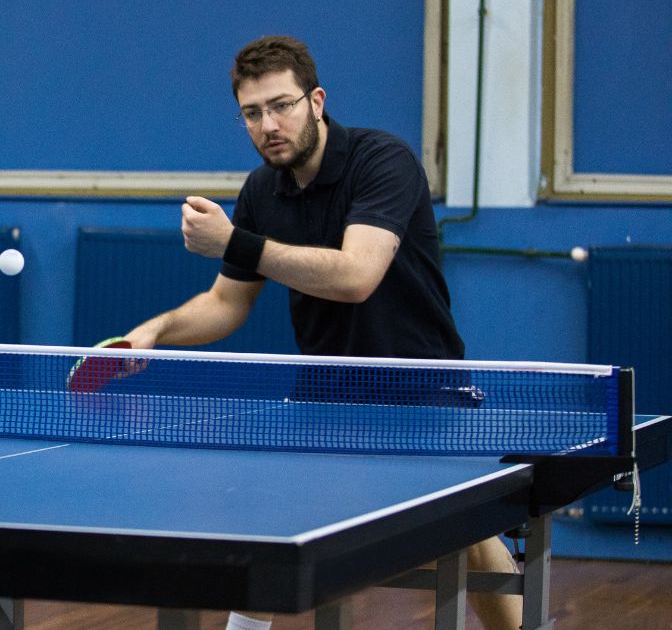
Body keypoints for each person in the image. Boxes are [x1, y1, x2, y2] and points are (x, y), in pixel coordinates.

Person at [123, 35, 520, 630]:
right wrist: (156, 331)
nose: (268, 125)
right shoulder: (262, 190)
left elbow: (357, 276)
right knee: (272, 526)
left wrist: (234, 241)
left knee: (466, 531)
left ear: (316, 100)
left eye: (281, 105)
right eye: (252, 114)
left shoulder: (381, 160)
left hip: (422, 387)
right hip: (326, 392)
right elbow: (226, 303)